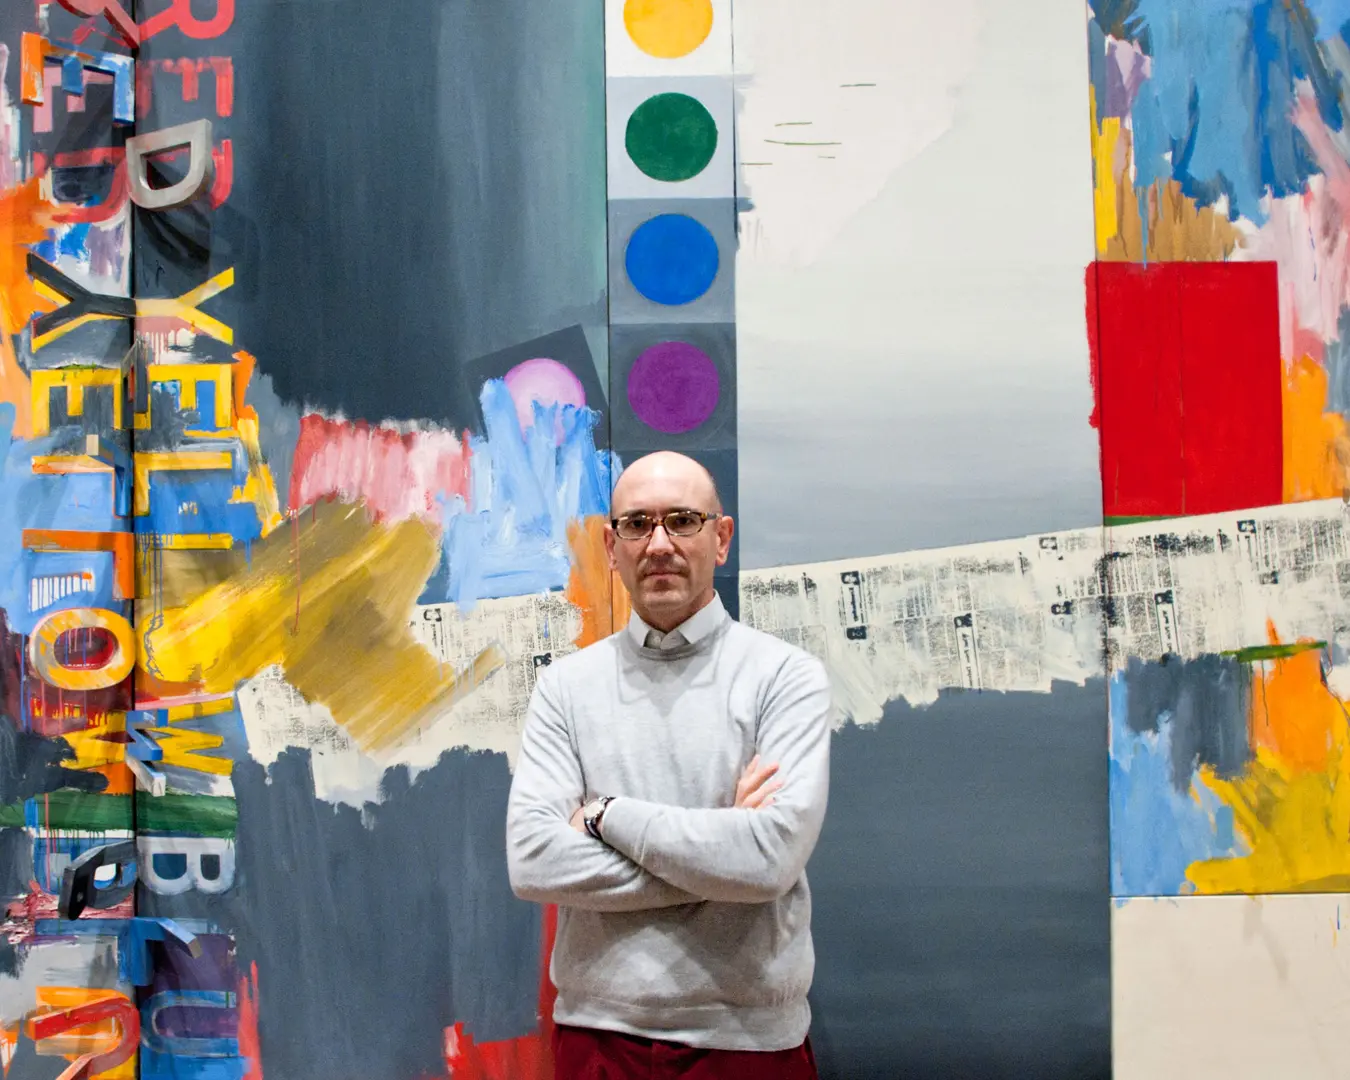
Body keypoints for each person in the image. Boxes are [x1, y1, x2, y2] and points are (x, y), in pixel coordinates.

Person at [506, 449, 833, 1079]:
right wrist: (721, 856)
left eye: (682, 520)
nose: (659, 544)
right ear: (612, 546)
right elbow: (533, 861)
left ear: (721, 538)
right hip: (597, 1040)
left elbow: (769, 860)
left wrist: (606, 816)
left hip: (748, 1044)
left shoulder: (785, 678)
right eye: (637, 524)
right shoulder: (564, 689)